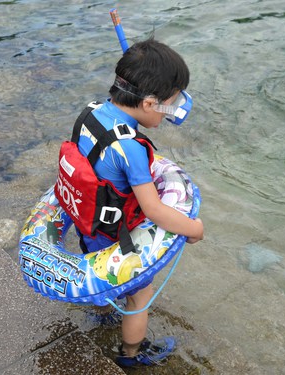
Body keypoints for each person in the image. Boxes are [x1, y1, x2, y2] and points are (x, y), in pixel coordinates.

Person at [55, 38, 204, 367]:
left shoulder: (91, 112)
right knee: (139, 297)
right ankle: (131, 354)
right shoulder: (130, 147)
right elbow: (153, 210)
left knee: (98, 271)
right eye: (170, 107)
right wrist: (194, 228)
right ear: (150, 104)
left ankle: (102, 312)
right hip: (116, 237)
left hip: (89, 225)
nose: (169, 114)